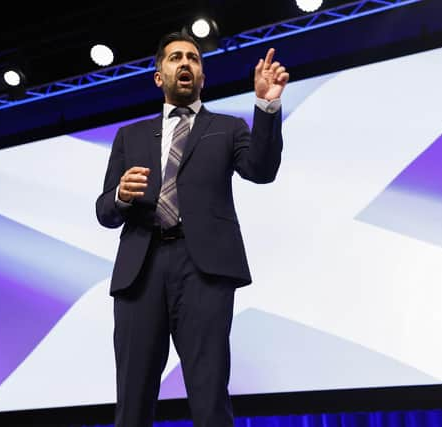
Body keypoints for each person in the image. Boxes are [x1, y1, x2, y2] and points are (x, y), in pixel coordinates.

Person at [95, 31, 289, 427]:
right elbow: (104, 211)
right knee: (131, 402)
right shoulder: (129, 136)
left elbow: (262, 170)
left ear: (202, 76)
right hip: (141, 271)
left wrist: (267, 108)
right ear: (158, 75)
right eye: (175, 58)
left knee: (209, 394)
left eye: (194, 59)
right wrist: (120, 195)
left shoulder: (228, 128)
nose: (185, 63)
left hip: (203, 270)